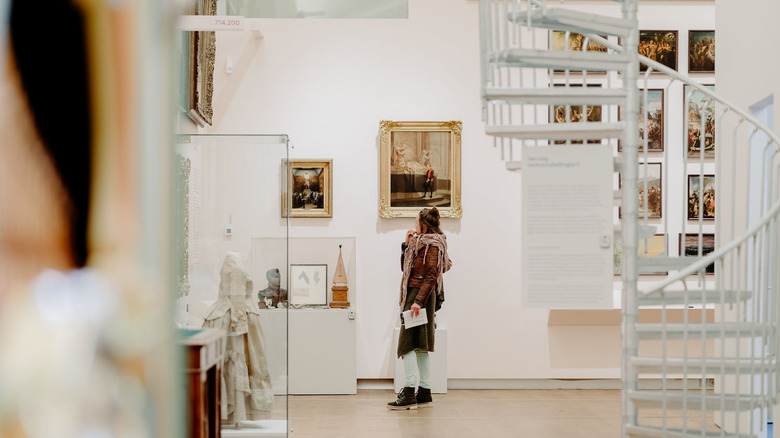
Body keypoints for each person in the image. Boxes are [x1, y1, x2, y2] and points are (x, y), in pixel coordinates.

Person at [388, 207, 452, 410]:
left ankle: (409, 393)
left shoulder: (432, 245)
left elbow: (431, 276)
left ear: (424, 225)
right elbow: (405, 268)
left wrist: (417, 301)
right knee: (420, 346)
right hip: (417, 296)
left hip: (418, 297)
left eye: (416, 222)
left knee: (406, 345)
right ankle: (424, 392)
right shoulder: (418, 244)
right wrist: (406, 245)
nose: (414, 225)